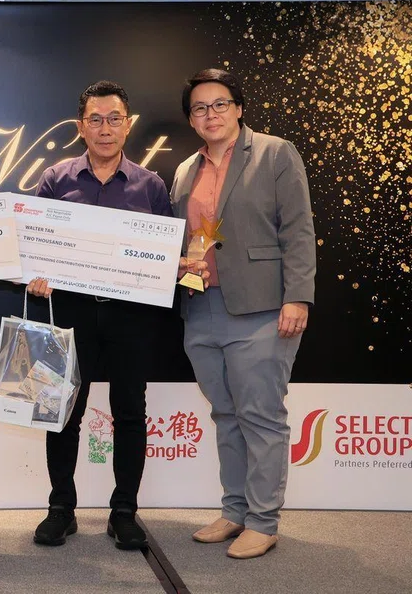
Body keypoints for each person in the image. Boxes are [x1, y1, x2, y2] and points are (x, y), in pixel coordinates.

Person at [172, 68, 315, 559]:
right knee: (226, 415)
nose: (210, 114)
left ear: (238, 108)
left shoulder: (276, 153)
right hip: (200, 306)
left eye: (219, 104)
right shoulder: (185, 170)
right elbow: (185, 238)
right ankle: (234, 511)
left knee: (261, 416)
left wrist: (298, 296)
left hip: (262, 308)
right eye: (199, 108)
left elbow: (297, 228)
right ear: (190, 120)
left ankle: (263, 520)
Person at [27, 81, 172, 551]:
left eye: (114, 119)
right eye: (95, 119)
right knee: (63, 411)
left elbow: (165, 259)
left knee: (131, 412)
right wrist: (37, 273)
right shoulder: (56, 179)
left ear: (128, 125)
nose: (105, 128)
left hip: (131, 316)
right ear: (80, 126)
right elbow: (35, 247)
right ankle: (60, 509)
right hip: (71, 312)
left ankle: (124, 511)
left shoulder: (151, 186)